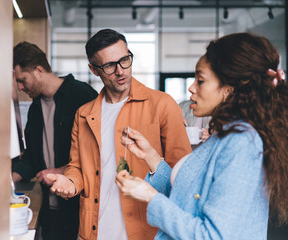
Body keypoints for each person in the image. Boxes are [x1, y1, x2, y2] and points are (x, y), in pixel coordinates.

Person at [116, 32, 288, 239]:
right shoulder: (227, 135)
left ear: (230, 89)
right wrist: (151, 157)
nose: (191, 87)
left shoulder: (242, 143)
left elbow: (213, 235)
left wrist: (151, 197)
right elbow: (189, 199)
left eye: (200, 80)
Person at [47, 29, 192, 240]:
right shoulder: (84, 114)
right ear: (94, 70)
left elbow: (182, 174)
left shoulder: (163, 105)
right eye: (109, 66)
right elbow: (76, 166)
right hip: (93, 231)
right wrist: (71, 183)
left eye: (125, 60)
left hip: (146, 231)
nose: (121, 71)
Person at [12, 41, 98, 240]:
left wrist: (61, 171)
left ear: (39, 71)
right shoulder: (35, 109)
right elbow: (32, 157)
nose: (20, 87)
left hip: (80, 210)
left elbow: (98, 153)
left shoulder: (82, 95)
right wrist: (8, 179)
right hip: (50, 209)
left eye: (22, 79)